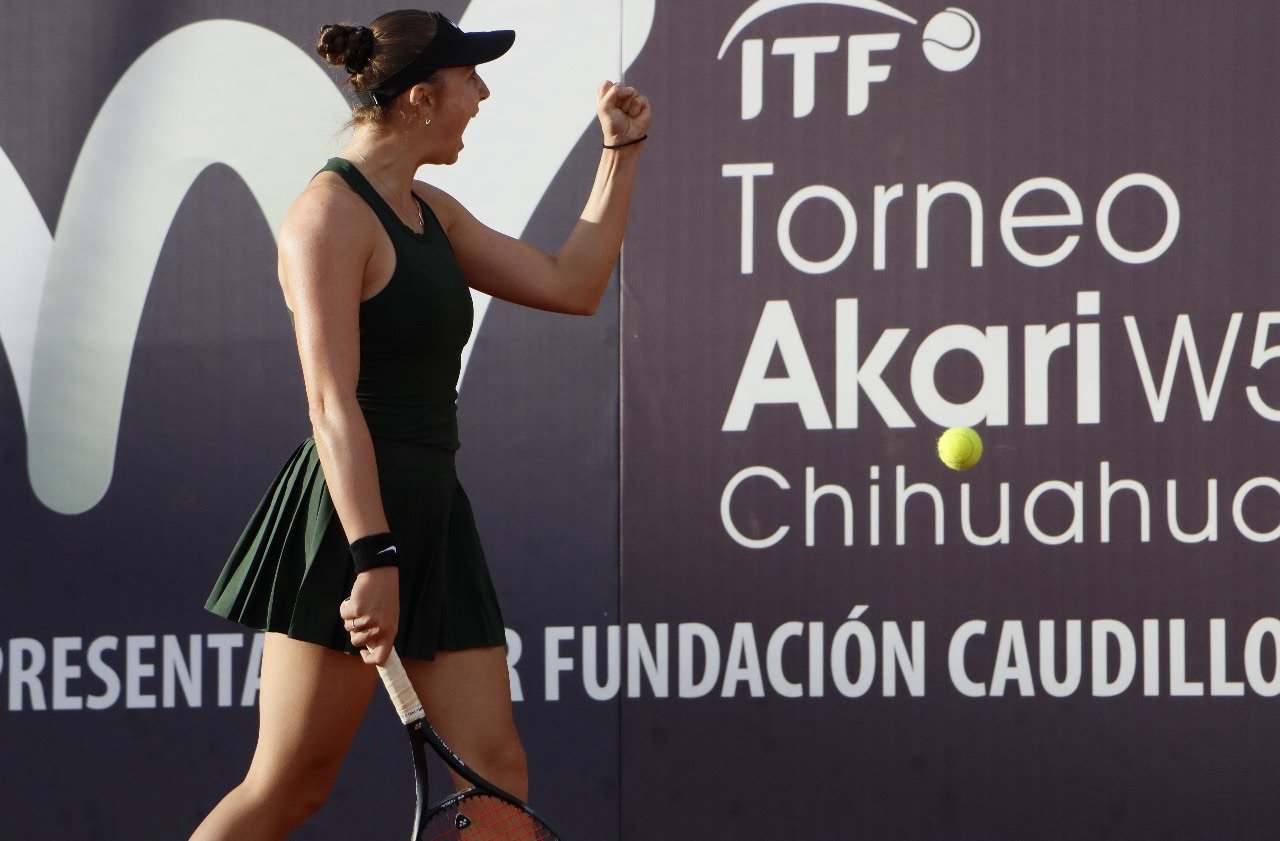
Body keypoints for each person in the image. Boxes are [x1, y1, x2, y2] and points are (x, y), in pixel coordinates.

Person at [190, 9, 649, 840]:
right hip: (351, 519)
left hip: (434, 510)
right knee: (290, 784)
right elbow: (330, 402)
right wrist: (373, 555)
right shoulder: (326, 217)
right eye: (469, 79)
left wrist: (620, 152)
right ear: (419, 99)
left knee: (495, 772)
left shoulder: (432, 211)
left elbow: (572, 282)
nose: (482, 96)